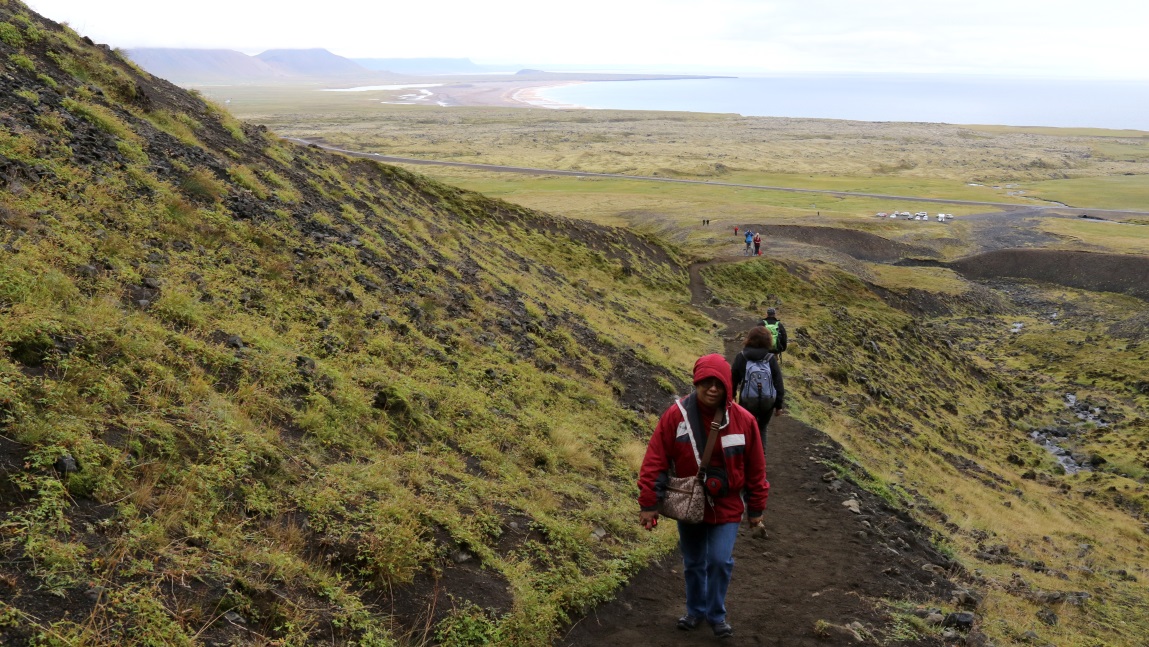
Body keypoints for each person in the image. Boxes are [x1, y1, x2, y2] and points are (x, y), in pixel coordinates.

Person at [638, 354, 769, 640]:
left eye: (719, 384)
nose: (712, 389)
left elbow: (757, 469)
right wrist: (649, 503)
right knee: (694, 561)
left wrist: (756, 509)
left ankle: (716, 614)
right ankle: (695, 610)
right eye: (706, 382)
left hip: (729, 503)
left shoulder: (744, 421)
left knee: (720, 561)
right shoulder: (676, 416)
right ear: (696, 382)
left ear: (728, 387)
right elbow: (655, 460)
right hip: (690, 501)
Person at [731, 326, 785, 450]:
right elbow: (778, 382)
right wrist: (779, 405)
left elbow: (733, 379)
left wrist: (732, 394)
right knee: (762, 428)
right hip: (768, 401)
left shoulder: (742, 357)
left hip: (747, 400)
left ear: (749, 339)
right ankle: (761, 459)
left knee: (745, 428)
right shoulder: (770, 358)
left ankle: (745, 456)